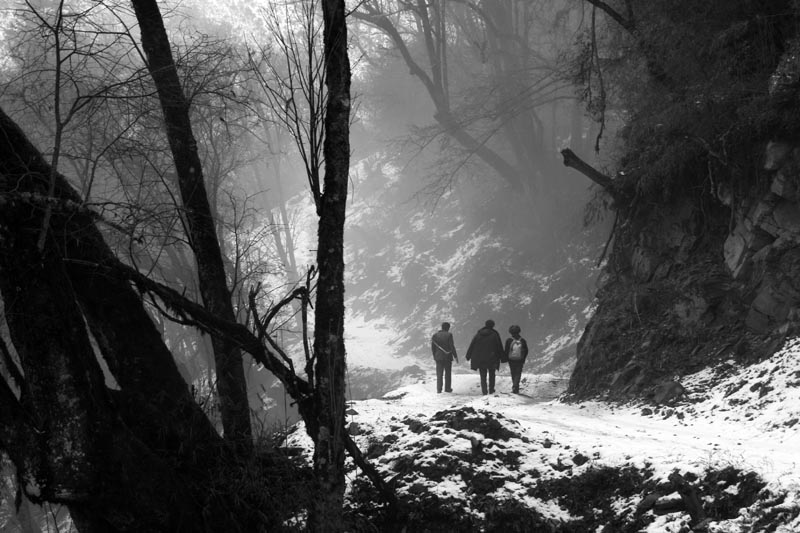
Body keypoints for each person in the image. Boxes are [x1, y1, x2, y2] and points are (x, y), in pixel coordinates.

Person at [465, 319, 504, 395]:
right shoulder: (495, 334)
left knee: (483, 376)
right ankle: (491, 390)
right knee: (492, 375)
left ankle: (484, 391)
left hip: (480, 358)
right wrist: (502, 357)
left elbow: (472, 345)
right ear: (493, 326)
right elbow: (499, 346)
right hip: (492, 358)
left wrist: (468, 355)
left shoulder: (478, 334)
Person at [431, 322, 458, 393]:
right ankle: (447, 388)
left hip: (438, 357)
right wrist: (455, 356)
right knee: (448, 373)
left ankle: (439, 389)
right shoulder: (449, 335)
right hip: (447, 356)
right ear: (448, 328)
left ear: (442, 327)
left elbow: (433, 348)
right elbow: (452, 346)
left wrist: (435, 356)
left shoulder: (435, 335)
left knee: (439, 374)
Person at [504, 325, 529, 394]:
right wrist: (523, 359)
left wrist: (506, 358)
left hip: (511, 360)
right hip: (520, 360)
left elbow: (506, 350)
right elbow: (526, 350)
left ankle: (514, 387)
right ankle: (516, 387)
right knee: (518, 373)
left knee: (513, 373)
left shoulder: (509, 340)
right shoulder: (523, 340)